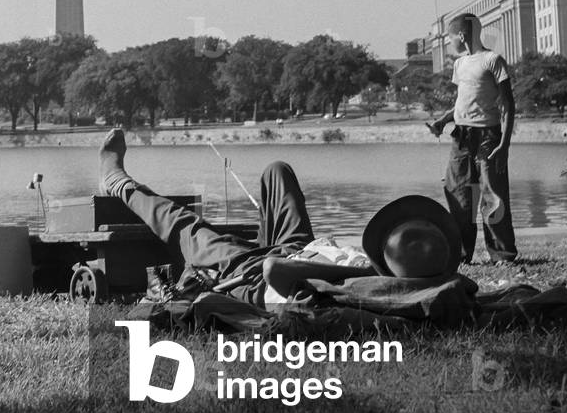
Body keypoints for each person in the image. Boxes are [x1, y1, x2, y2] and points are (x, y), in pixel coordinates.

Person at [99, 128, 462, 308]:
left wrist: (367, 270)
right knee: (278, 171)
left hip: (255, 272)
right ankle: (265, 235)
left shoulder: (372, 285)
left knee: (183, 223)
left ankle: (118, 182)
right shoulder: (434, 272)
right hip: (301, 250)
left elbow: (276, 271)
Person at [428, 12, 518, 263]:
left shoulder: (493, 60)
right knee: (458, 194)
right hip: (461, 136)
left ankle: (502, 255)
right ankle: (461, 254)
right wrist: (442, 121)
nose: (449, 43)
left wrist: (504, 144)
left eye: (449, 38)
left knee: (492, 196)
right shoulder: (459, 65)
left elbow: (508, 104)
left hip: (488, 136)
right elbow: (462, 104)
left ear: (461, 35)